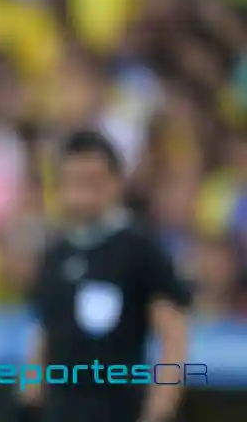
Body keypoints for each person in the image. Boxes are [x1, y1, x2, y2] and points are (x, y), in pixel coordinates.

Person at [21, 130, 193, 422]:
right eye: (71, 182)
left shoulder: (140, 250)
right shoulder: (56, 253)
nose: (80, 194)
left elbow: (173, 336)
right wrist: (28, 400)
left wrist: (159, 411)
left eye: (91, 182)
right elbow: (44, 333)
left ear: (115, 182)